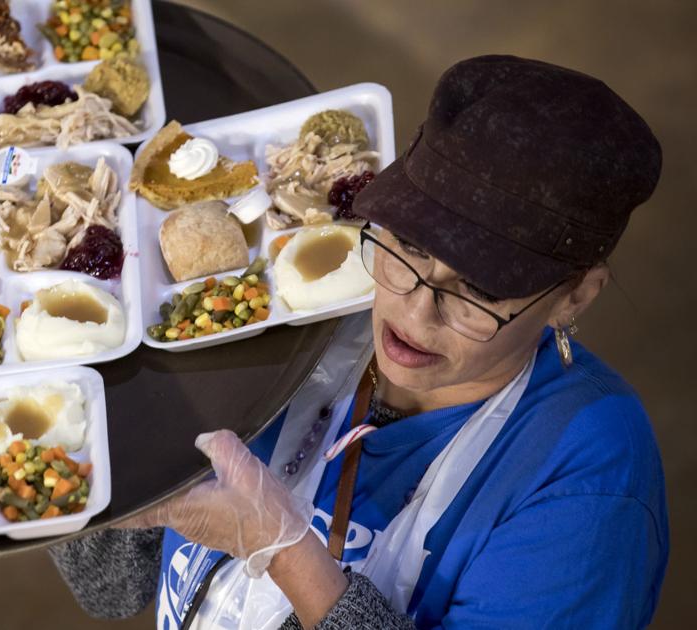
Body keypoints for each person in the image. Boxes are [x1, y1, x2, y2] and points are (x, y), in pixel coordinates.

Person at [49, 55, 668, 629]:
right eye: (410, 247)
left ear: (576, 295)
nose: (417, 314)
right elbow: (107, 586)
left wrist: (289, 552)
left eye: (479, 288)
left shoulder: (590, 480)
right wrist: (119, 404)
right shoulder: (292, 317)